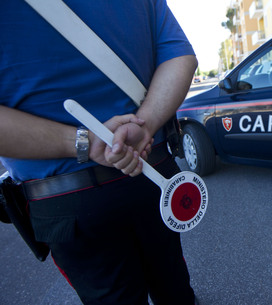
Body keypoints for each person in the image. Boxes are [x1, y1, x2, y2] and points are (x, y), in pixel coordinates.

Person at [0, 1, 199, 304]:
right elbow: (180, 55)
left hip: (66, 200)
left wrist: (84, 143)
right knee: (174, 288)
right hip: (153, 173)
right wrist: (145, 126)